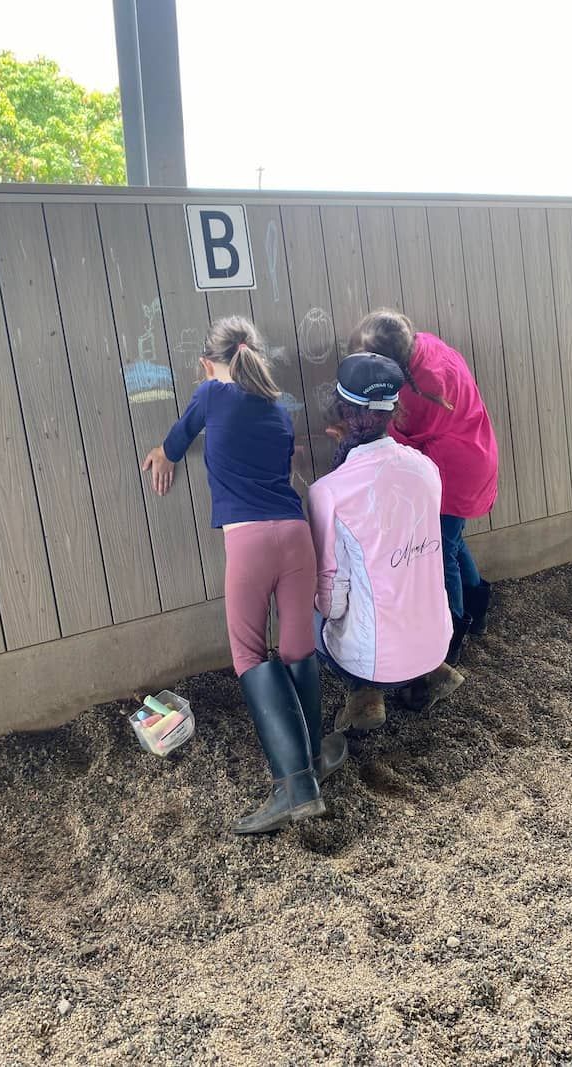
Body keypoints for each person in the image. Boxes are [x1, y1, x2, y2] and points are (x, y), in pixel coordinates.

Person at [143, 316, 347, 834]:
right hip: (297, 535)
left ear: (206, 364)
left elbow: (180, 434)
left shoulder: (211, 394)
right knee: (298, 648)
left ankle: (295, 788)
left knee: (251, 655)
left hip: (251, 542)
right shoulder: (278, 411)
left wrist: (164, 455)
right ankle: (314, 760)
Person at [307, 353, 462, 731]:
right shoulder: (426, 469)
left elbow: (332, 597)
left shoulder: (327, 492)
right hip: (438, 640)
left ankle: (364, 695)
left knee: (311, 614)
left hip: (375, 659)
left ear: (342, 413)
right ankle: (430, 671)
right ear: (394, 410)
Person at [347, 310, 498, 665]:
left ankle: (453, 635)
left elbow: (397, 440)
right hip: (474, 453)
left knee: (442, 552)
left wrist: (359, 434)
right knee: (453, 539)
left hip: (452, 471)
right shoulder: (425, 345)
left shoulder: (421, 388)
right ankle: (479, 611)